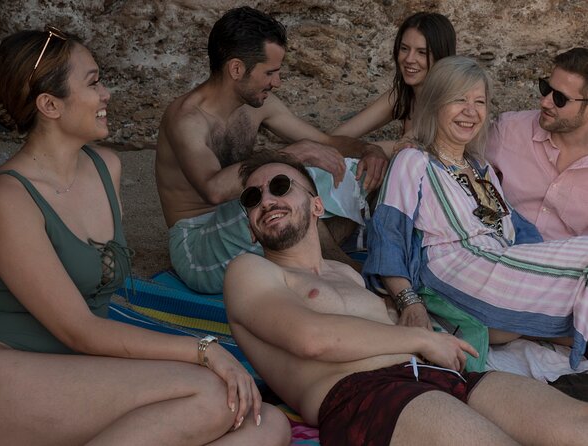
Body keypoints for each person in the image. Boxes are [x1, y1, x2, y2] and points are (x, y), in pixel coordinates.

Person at [0, 26, 290, 445]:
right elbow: (80, 330)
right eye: (93, 83)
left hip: (82, 375)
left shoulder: (107, 167)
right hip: (4, 377)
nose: (107, 93)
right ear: (50, 104)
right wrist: (205, 349)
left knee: (265, 423)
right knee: (216, 396)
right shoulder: (6, 196)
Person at [224, 148, 588, 446]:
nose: (267, 200)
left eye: (281, 186)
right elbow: (312, 339)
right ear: (251, 229)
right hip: (365, 396)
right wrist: (422, 338)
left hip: (438, 376)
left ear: (318, 206)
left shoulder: (347, 274)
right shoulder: (249, 271)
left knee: (578, 425)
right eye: (253, 198)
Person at [362, 55, 588, 370]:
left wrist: (548, 262)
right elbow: (388, 234)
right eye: (459, 100)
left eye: (479, 102)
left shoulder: (482, 169)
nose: (471, 111)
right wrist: (408, 301)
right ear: (435, 104)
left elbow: (518, 231)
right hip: (456, 271)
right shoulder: (415, 161)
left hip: (501, 272)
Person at [156, 6, 388, 294]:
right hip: (200, 247)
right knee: (277, 189)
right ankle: (345, 271)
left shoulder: (259, 105)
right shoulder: (187, 119)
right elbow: (213, 189)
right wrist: (294, 154)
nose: (277, 82)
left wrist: (369, 150)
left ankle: (323, 255)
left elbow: (324, 143)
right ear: (237, 69)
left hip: (249, 227)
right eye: (270, 72)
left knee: (353, 169)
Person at [486, 47, 588, 240]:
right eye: (546, 89)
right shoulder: (509, 130)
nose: (545, 102)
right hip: (504, 255)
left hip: (568, 266)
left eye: (560, 98)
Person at [332, 12, 456, 154]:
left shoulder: (450, 103)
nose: (409, 59)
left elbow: (406, 148)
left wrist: (363, 149)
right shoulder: (403, 95)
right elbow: (337, 137)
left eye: (422, 52)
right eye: (404, 49)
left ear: (441, 57)